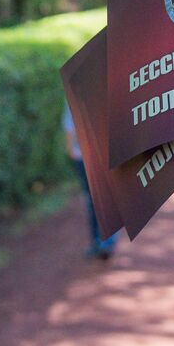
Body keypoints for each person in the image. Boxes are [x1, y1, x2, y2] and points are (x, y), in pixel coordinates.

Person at [63, 102, 117, 259]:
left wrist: (70, 148)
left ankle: (101, 241)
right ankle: (103, 242)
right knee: (103, 198)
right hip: (101, 153)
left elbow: (68, 124)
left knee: (93, 199)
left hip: (87, 154)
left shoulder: (74, 90)